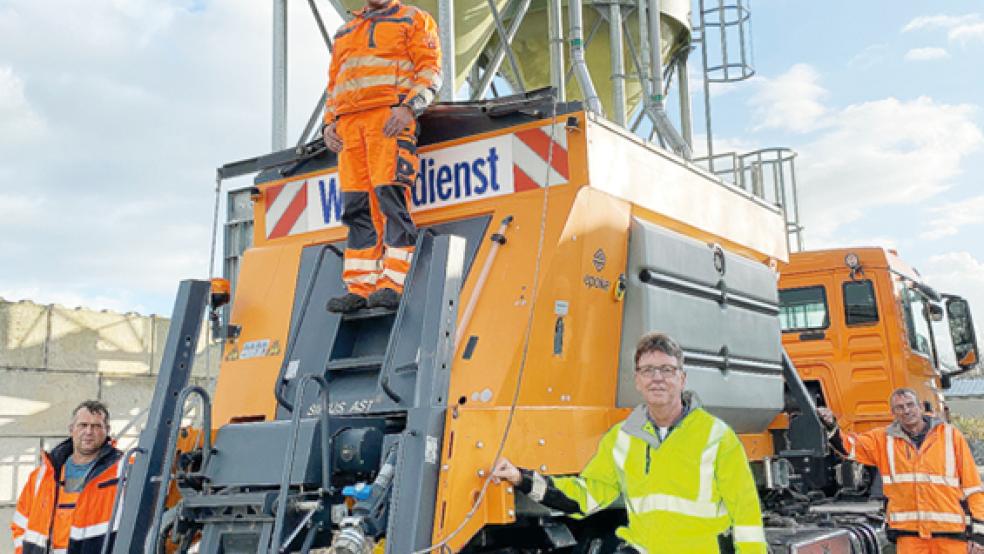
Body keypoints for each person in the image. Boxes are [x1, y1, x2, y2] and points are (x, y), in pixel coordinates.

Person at [492, 332, 767, 553]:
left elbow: (746, 514)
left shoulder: (716, 436)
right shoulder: (622, 438)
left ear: (682, 379)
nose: (657, 378)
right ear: (637, 380)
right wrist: (523, 479)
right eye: (647, 370)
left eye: (666, 370)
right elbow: (586, 495)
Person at [322, 0, 443, 313]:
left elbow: (430, 70)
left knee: (390, 198)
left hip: (388, 121)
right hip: (349, 128)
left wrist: (409, 108)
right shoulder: (345, 31)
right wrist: (329, 124)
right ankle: (360, 286)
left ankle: (393, 282)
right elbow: (334, 85)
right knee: (356, 206)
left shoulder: (414, 19)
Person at [819, 390, 984, 554]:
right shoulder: (883, 439)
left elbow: (973, 487)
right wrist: (831, 425)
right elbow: (849, 447)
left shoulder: (950, 436)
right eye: (900, 407)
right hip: (909, 537)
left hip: (951, 536)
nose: (906, 411)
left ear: (920, 407)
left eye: (910, 405)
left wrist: (979, 534)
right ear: (893, 413)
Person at [11, 400, 124, 554]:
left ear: (107, 431)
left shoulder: (123, 471)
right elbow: (20, 525)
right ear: (71, 429)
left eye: (96, 426)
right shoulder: (42, 476)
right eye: (83, 425)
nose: (89, 431)